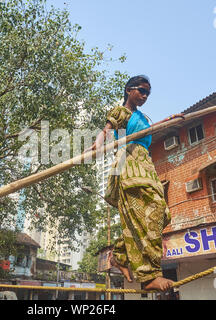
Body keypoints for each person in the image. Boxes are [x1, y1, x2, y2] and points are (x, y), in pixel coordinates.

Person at [89, 75, 183, 292]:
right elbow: (106, 130)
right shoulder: (122, 112)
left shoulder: (141, 116)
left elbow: (147, 132)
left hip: (145, 165)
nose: (144, 96)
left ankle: (120, 255)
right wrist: (96, 144)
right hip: (129, 165)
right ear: (129, 90)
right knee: (146, 214)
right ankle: (149, 275)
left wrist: (168, 120)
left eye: (148, 93)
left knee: (161, 213)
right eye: (141, 90)